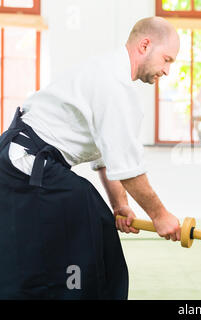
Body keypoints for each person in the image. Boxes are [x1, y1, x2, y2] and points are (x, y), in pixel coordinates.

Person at [0, 17, 181, 299]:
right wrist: (161, 216)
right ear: (145, 45)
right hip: (26, 161)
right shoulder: (115, 85)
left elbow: (107, 158)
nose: (167, 70)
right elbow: (129, 170)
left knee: (42, 251)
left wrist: (120, 206)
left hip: (21, 161)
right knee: (92, 229)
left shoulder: (107, 72)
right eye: (166, 59)